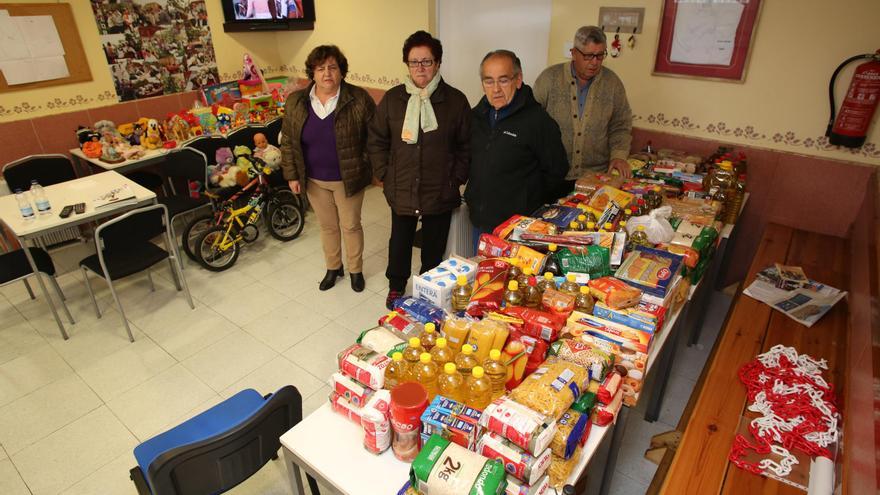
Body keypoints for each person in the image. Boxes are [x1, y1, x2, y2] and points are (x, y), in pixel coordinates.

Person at [367, 30, 470, 310]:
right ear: (407, 64)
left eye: (427, 61)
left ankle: (428, 288)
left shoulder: (456, 101)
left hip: (440, 188)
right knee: (400, 241)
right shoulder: (393, 99)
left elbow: (466, 146)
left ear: (438, 63)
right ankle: (396, 285)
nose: (420, 68)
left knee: (434, 245)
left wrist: (456, 179)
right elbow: (376, 140)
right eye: (414, 62)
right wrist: (385, 174)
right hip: (401, 185)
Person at [280, 45, 376, 292]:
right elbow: (288, 140)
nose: (327, 74)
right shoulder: (296, 101)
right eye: (320, 68)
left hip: (348, 179)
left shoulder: (358, 98)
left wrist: (367, 165)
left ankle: (355, 270)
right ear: (312, 72)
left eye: (332, 67)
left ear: (341, 71)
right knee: (327, 226)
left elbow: (375, 137)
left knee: (350, 226)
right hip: (313, 179)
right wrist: (292, 175)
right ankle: (333, 268)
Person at [466, 50, 568, 240]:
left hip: (520, 228)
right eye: (489, 81)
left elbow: (557, 170)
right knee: (481, 261)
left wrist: (527, 201)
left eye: (503, 80)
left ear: (518, 79)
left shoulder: (538, 121)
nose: (496, 89)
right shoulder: (475, 117)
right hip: (481, 223)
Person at [534, 25, 633, 188]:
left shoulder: (612, 83)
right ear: (574, 53)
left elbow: (621, 125)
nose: (594, 62)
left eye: (600, 56)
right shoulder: (549, 79)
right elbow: (531, 122)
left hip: (596, 177)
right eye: (588, 56)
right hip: (551, 175)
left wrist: (619, 156)